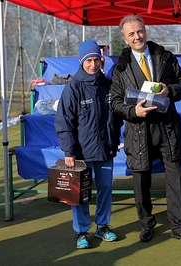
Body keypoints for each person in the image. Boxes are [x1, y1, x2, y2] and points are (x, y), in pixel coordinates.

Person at [110, 14, 181, 245]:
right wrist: (134, 112)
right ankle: (146, 225)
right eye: (131, 34)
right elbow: (115, 103)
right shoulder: (120, 68)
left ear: (145, 31)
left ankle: (179, 228)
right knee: (141, 184)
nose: (137, 36)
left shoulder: (165, 56)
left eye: (139, 31)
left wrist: (169, 91)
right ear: (125, 38)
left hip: (167, 128)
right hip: (138, 131)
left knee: (175, 180)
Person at [55, 39, 123, 249]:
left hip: (105, 150)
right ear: (81, 61)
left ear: (101, 61)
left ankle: (102, 226)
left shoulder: (108, 86)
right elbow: (64, 123)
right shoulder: (73, 89)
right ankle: (81, 232)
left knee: (105, 188)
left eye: (96, 60)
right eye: (89, 60)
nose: (93, 64)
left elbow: (117, 117)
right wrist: (69, 152)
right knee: (79, 193)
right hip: (81, 154)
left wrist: (114, 139)